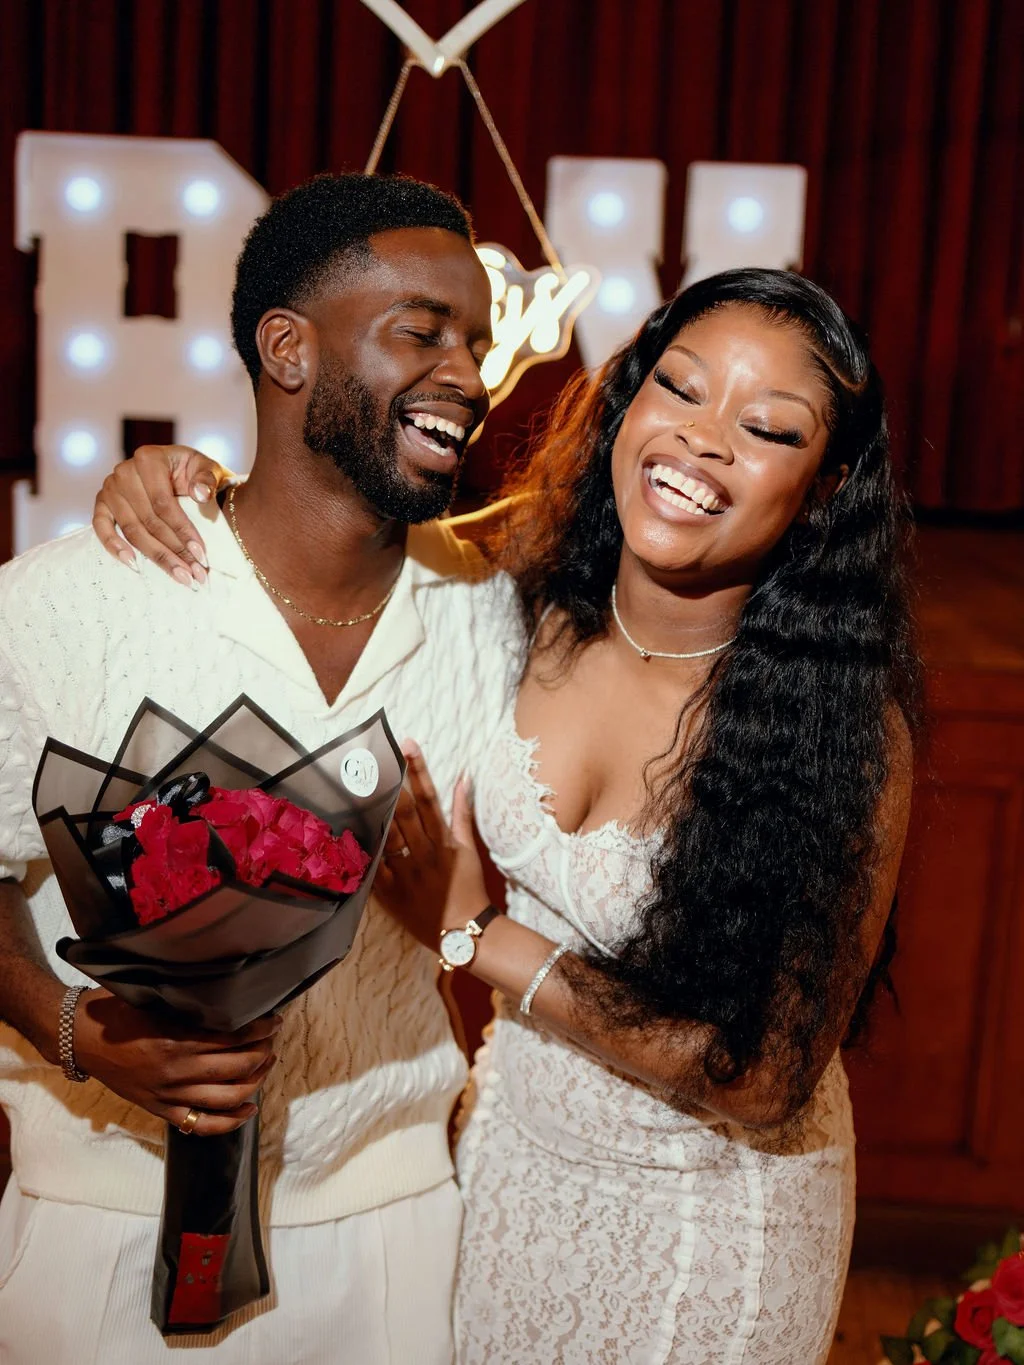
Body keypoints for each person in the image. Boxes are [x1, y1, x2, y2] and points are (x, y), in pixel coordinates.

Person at [93, 269, 921, 1363]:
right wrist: (185, 476)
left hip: (713, 1220)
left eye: (767, 427)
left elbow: (762, 1077)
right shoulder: (528, 581)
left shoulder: (843, 730)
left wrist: (476, 933)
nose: (704, 440)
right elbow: (322, 524)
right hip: (512, 1170)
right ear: (626, 405)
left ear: (822, 487)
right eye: (678, 388)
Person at [0, 172, 512, 1364]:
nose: (472, 377)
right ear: (287, 349)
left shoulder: (494, 615)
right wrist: (83, 1035)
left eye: (478, 341)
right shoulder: (64, 605)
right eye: (422, 333)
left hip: (396, 1232)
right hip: (101, 1225)